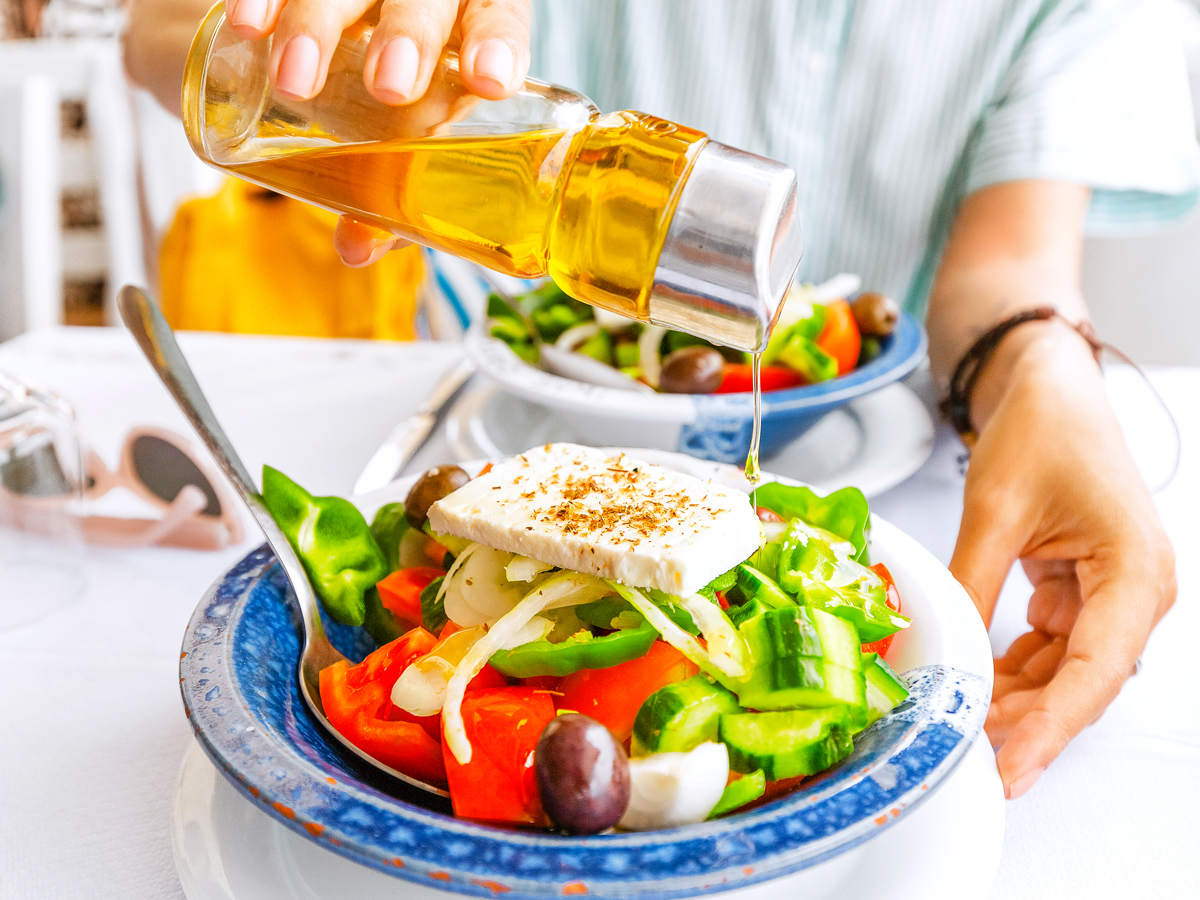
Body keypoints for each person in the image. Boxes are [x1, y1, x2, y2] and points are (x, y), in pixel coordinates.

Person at [124, 0, 1198, 800]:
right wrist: (265, 39)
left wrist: (1049, 371)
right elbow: (155, 28)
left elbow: (1009, 266)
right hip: (460, 405)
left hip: (891, 472)